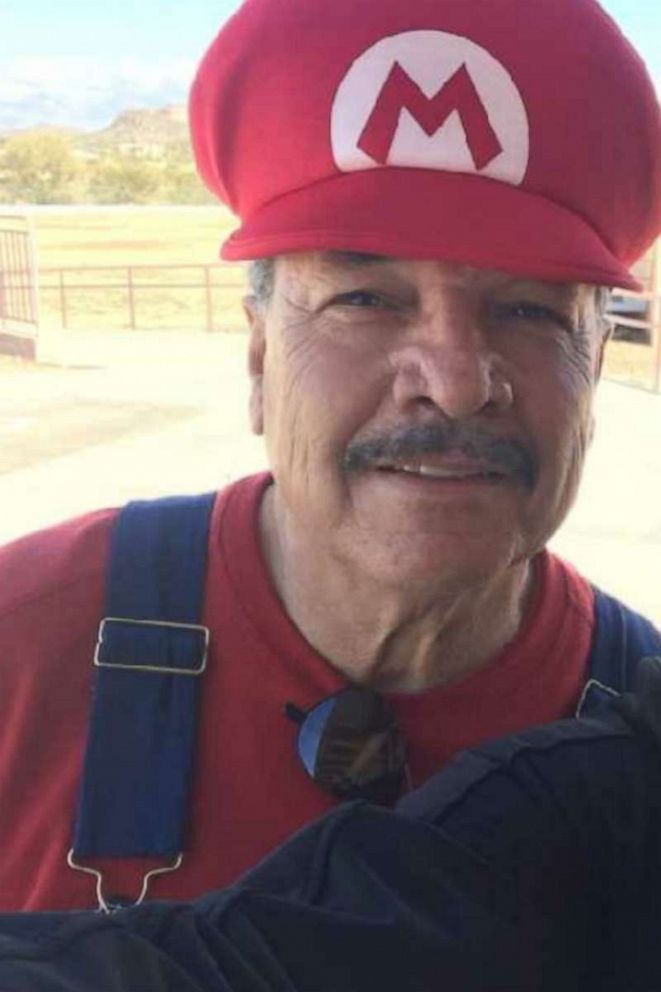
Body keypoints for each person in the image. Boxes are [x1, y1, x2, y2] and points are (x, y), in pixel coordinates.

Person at [0, 0, 659, 912]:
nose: (456, 383)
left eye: (529, 310)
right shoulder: (21, 649)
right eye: (364, 298)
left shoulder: (642, 732)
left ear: (592, 367)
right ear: (260, 355)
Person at [1, 659, 661, 991]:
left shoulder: (619, 670)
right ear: (260, 389)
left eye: (530, 378)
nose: (457, 389)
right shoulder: (588, 797)